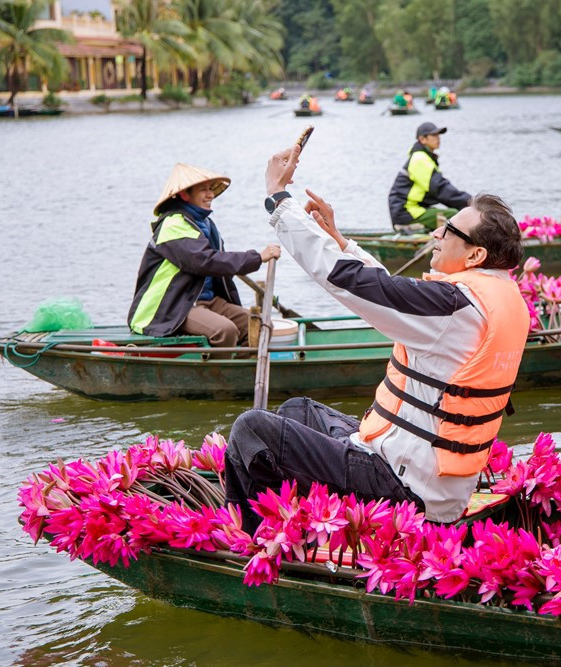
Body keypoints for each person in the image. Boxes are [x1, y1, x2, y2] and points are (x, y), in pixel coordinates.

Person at [223, 143, 530, 531]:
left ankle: (251, 536)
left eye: (449, 229)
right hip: (434, 483)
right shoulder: (493, 297)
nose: (437, 232)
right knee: (297, 410)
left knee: (251, 429)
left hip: (405, 491)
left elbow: (348, 281)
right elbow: (385, 288)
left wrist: (278, 198)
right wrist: (339, 241)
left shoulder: (454, 307)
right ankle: (300, 518)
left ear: (474, 256)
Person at [127, 163, 281, 348]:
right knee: (225, 330)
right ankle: (222, 367)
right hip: (174, 305)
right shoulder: (172, 225)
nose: (210, 195)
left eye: (211, 189)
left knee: (261, 326)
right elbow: (205, 261)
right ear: (184, 194)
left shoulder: (206, 224)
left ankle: (239, 365)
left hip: (208, 300)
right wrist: (257, 258)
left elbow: (217, 261)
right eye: (203, 190)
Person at [389, 122, 472, 231]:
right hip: (406, 212)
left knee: (455, 213)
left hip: (412, 210)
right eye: (434, 135)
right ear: (422, 139)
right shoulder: (419, 159)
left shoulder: (424, 157)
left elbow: (440, 190)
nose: (438, 138)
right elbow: (440, 188)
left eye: (438, 135)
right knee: (454, 216)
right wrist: (470, 203)